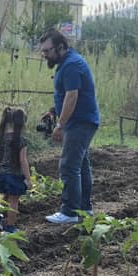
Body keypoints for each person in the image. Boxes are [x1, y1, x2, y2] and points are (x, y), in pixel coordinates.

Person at [39, 29, 100, 225]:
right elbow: (66, 95)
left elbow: (72, 96)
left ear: (61, 47)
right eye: (43, 51)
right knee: (81, 165)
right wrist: (54, 110)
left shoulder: (72, 65)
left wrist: (60, 125)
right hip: (83, 120)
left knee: (68, 166)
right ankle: (84, 209)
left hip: (79, 122)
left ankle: (70, 211)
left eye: (47, 51)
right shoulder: (68, 62)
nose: (44, 54)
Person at [0, 105, 31, 234]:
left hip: (0, 174)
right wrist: (28, 179)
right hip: (14, 175)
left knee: (5, 195)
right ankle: (10, 227)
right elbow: (23, 161)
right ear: (23, 123)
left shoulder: (0, 138)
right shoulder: (21, 140)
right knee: (14, 201)